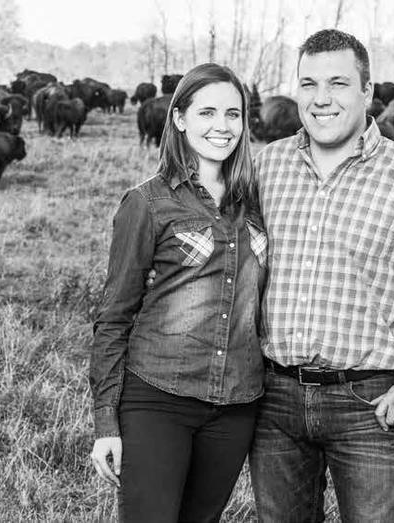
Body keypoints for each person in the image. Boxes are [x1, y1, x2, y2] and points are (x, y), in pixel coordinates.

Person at [248, 29, 394, 521]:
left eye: (337, 83)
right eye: (309, 84)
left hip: (369, 403)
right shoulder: (263, 167)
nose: (321, 99)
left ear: (367, 91)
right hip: (273, 399)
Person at [88, 63, 268, 522]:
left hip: (236, 405)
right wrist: (107, 422)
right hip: (159, 397)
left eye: (233, 114)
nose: (222, 127)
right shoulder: (147, 202)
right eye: (207, 112)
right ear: (180, 118)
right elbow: (113, 316)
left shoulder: (260, 202)